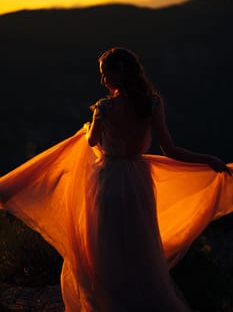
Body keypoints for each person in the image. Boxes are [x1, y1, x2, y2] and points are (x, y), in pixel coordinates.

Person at [0, 47, 232, 312]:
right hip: (138, 182)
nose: (102, 81)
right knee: (138, 248)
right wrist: (210, 160)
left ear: (119, 73)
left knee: (104, 249)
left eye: (105, 74)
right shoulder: (152, 103)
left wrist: (90, 128)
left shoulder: (105, 108)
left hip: (107, 181)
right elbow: (171, 150)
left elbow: (91, 141)